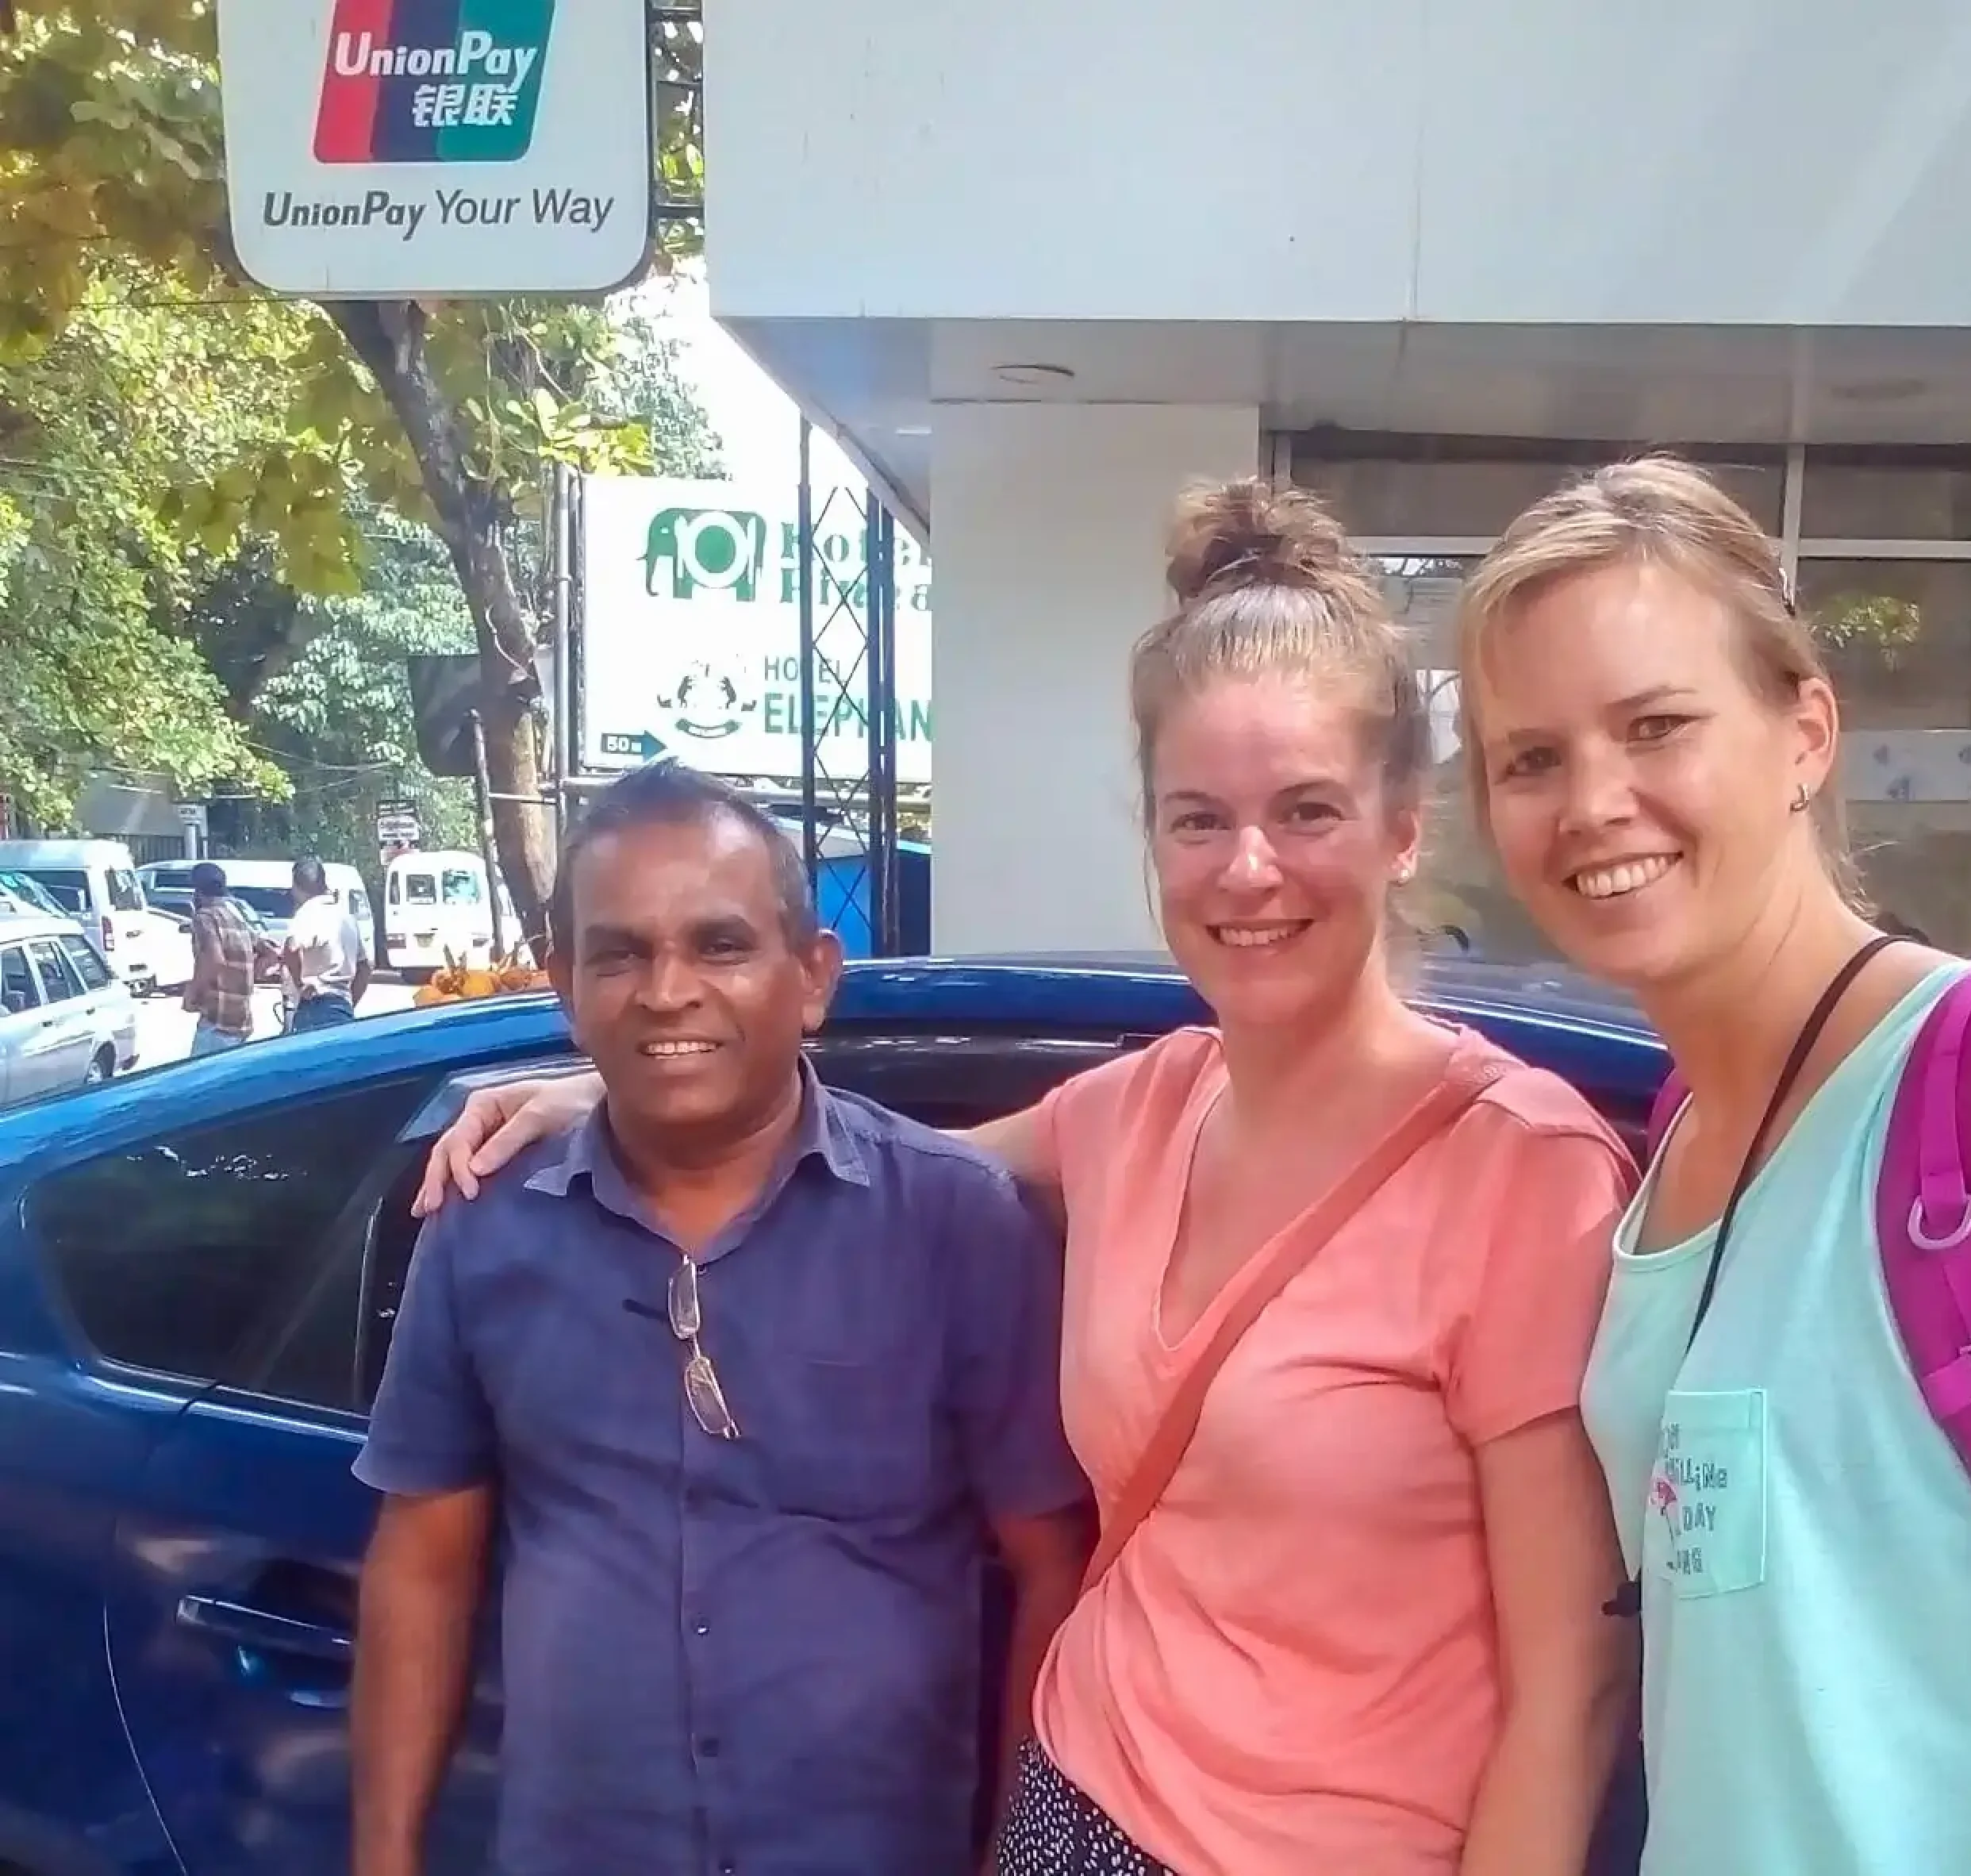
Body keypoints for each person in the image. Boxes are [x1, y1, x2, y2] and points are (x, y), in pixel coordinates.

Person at [414, 485, 1638, 1875]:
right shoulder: (1142, 1105)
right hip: (1077, 1802)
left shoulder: (1521, 1173)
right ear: (1153, 838)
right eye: (1197, 819)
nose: (1248, 869)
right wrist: (632, 1070)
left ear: (1401, 826)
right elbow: (847, 1161)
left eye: (1305, 809)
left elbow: (1575, 1686)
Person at [1455, 455, 1971, 1876]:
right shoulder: (1682, 1129)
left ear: (1805, 728)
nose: (1595, 801)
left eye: (1657, 724)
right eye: (1534, 757)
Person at [351, 762, 1089, 1876]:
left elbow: (1054, 1566)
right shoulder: (487, 1225)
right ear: (564, 985)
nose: (666, 990)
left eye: (720, 945)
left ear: (813, 977)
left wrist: (1010, 1858)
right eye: (621, 952)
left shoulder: (953, 1224)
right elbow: (423, 1564)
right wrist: (384, 1859)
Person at [180, 860, 261, 1055]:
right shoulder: (237, 917)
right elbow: (270, 953)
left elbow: (214, 960)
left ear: (198, 891)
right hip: (241, 1022)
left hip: (217, 1023)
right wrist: (244, 978)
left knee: (198, 1082)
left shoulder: (205, 917)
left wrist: (192, 993)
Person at [283, 855, 370, 1032]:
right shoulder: (347, 918)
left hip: (315, 1006)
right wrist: (350, 1000)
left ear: (296, 886)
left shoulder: (308, 913)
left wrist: (300, 985)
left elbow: (291, 948)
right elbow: (366, 966)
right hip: (342, 1007)